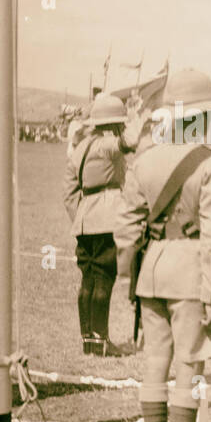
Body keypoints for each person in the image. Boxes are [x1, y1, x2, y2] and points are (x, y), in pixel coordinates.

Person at [115, 69, 211, 422]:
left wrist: (130, 281)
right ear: (200, 118)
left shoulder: (143, 160)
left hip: (152, 272)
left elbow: (126, 231)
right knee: (188, 364)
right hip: (189, 272)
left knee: (154, 363)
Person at [64, 93, 133, 356]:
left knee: (88, 279)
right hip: (107, 220)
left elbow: (68, 193)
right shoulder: (107, 144)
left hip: (84, 223)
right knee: (104, 277)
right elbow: (128, 143)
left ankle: (88, 340)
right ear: (114, 123)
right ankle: (101, 341)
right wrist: (142, 117)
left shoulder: (80, 148)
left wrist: (81, 217)